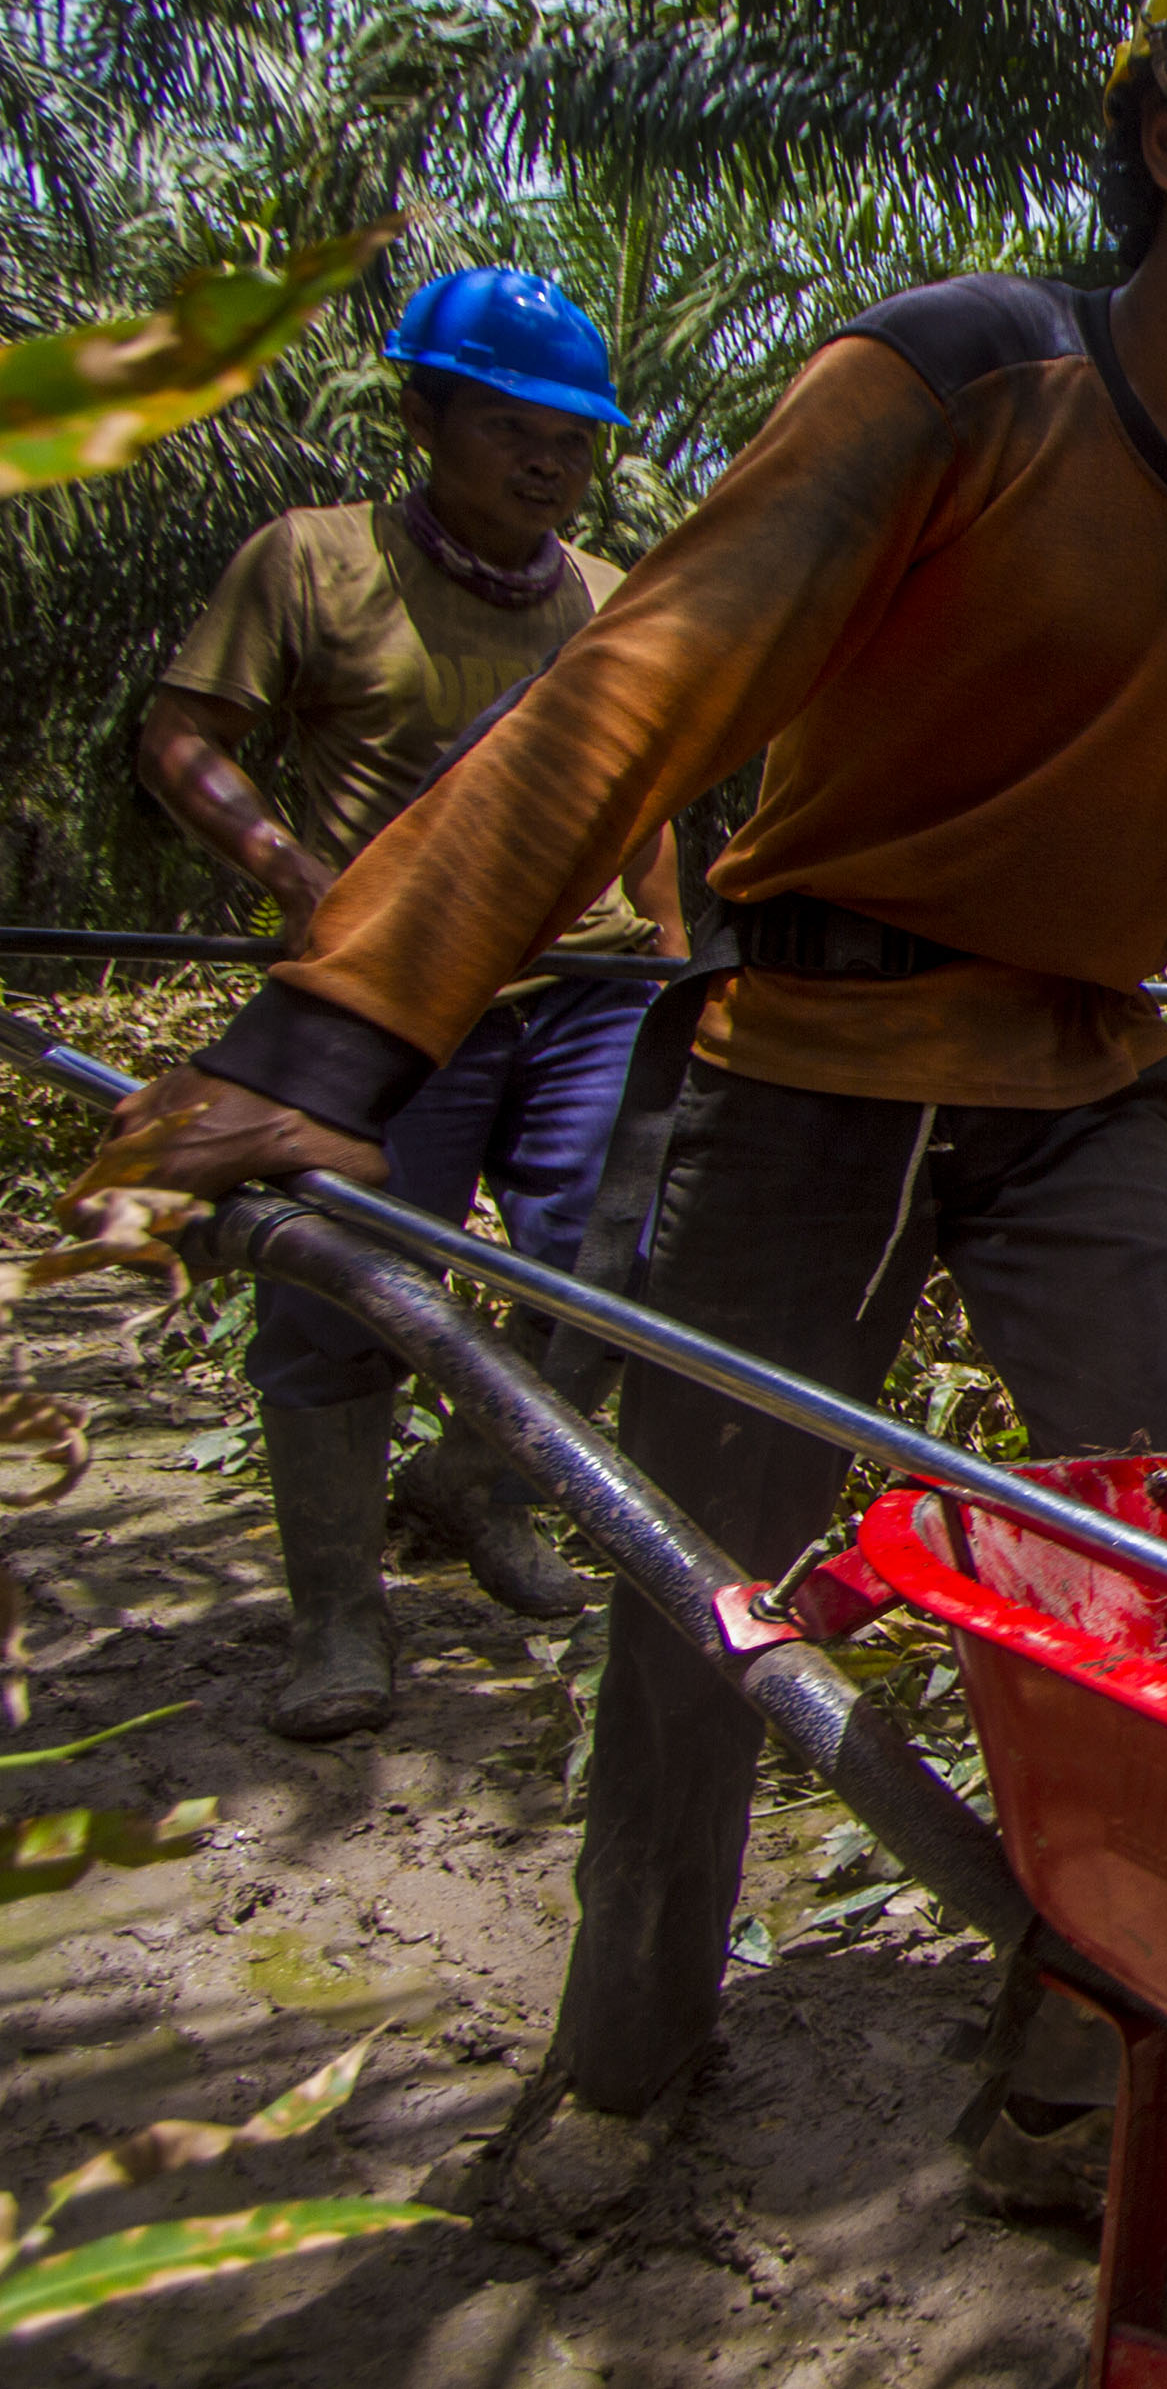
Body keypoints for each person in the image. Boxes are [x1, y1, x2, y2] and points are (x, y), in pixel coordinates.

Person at [93, 0, 1167, 2146]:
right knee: (703, 1582)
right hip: (813, 1065)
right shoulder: (958, 377)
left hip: (1080, 1100)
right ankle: (626, 2063)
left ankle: (1075, 2063)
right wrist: (338, 1038)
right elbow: (641, 685)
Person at [141, 267, 684, 1739]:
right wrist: (290, 870)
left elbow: (645, 799)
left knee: (609, 1271)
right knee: (343, 1286)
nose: (550, 465)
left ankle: (481, 1484)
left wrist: (679, 963)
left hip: (588, 991)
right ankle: (337, 1616)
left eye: (574, 442)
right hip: (398, 993)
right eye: (514, 429)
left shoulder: (608, 598)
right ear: (425, 415)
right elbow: (184, 735)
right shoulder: (312, 563)